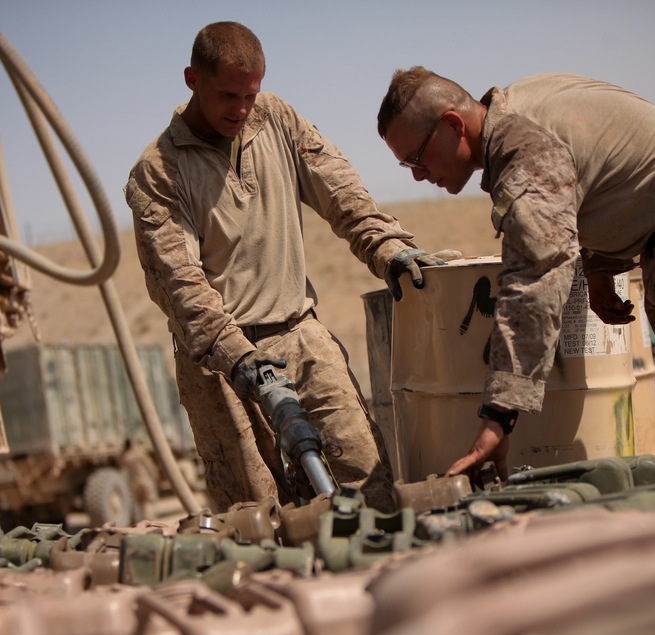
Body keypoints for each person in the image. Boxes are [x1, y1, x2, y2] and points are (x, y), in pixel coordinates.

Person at [376, 68, 655, 481]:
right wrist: (599, 268)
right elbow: (606, 171)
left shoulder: (525, 149)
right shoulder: (520, 108)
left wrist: (499, 416)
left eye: (416, 158)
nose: (417, 175)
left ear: (452, 124)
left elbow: (534, 282)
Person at [125, 23, 451, 513]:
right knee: (260, 514)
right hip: (223, 363)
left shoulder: (276, 119)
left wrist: (388, 249)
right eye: (227, 95)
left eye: (250, 95)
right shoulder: (158, 172)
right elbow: (181, 286)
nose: (240, 109)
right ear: (192, 80)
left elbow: (343, 195)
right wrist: (241, 361)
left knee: (370, 486)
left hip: (301, 334)